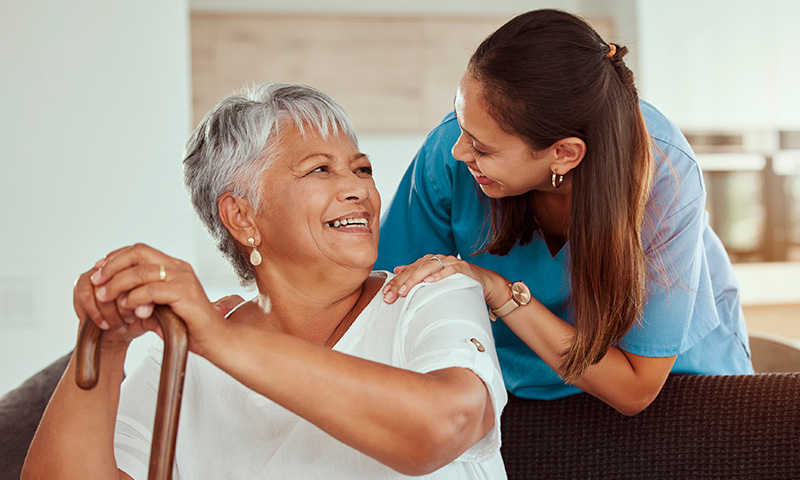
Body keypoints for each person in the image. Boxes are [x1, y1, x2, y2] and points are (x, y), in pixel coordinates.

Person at [22, 83, 507, 479]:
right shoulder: (182, 355)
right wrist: (105, 345)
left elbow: (444, 427)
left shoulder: (432, 293)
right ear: (242, 215)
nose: (359, 188)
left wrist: (220, 341)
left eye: (362, 169)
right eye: (321, 169)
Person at [377, 9, 753, 416]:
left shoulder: (665, 174)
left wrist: (498, 291)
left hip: (672, 384)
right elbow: (391, 305)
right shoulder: (450, 153)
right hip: (512, 387)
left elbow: (634, 389)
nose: (457, 150)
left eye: (482, 148)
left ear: (564, 154)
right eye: (462, 126)